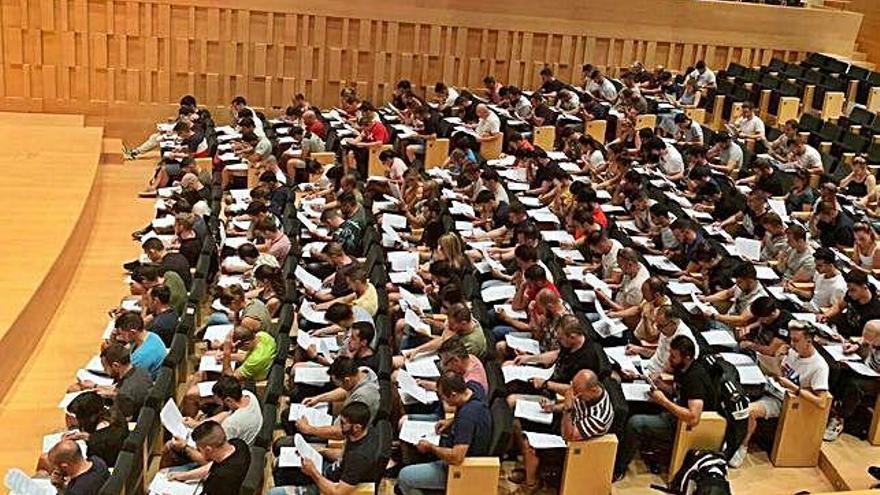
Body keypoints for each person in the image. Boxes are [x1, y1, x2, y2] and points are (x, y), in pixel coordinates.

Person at [729, 322, 829, 468]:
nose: (792, 344)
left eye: (796, 340)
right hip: (771, 387)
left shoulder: (819, 366)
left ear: (809, 341)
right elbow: (781, 375)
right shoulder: (792, 351)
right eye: (791, 339)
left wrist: (794, 388)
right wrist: (776, 358)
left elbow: (821, 402)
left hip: (784, 400)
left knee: (749, 411)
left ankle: (741, 448)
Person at [615, 335, 715, 478]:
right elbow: (677, 391)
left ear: (687, 357)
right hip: (674, 410)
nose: (669, 359)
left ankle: (618, 469)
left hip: (682, 425)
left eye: (673, 356)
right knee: (631, 406)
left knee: (635, 423)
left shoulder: (695, 379)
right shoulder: (682, 368)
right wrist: (647, 380)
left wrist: (663, 401)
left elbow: (693, 418)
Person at [514, 370, 615, 492]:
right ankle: (529, 469)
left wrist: (567, 408)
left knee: (529, 445)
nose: (574, 394)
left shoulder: (599, 418)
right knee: (518, 423)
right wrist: (553, 407)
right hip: (566, 422)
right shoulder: (590, 392)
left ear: (593, 390)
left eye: (578, 393)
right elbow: (574, 400)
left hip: (573, 445)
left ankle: (532, 484)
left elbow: (568, 435)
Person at [397, 372, 492, 495]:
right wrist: (451, 421)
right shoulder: (474, 387)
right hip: (456, 442)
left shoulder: (466, 418)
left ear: (453, 394)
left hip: (462, 468)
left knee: (404, 476)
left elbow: (457, 458)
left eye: (443, 397)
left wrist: (431, 447)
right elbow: (475, 415)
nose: (443, 400)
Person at [270, 402, 386, 495]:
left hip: (329, 485)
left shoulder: (359, 458)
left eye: (343, 423)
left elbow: (338, 492)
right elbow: (342, 457)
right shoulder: (364, 431)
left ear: (357, 427)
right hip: (330, 470)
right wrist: (319, 452)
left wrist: (313, 472)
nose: (339, 426)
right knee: (281, 460)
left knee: (275, 490)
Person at [825, 320, 880, 441]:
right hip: (865, 370)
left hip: (877, 381)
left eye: (871, 341)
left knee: (855, 385)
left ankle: (839, 419)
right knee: (839, 370)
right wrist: (854, 345)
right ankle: (829, 408)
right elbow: (862, 340)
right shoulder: (872, 336)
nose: (868, 343)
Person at [166, 420, 251, 493]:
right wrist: (183, 476)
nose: (199, 452)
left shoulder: (219, 478)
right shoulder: (239, 444)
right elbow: (211, 466)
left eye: (199, 449)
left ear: (208, 450)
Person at [784, 247, 846, 313]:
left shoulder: (838, 286)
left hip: (816, 313)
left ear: (830, 265)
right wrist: (794, 290)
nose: (816, 268)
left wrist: (815, 311)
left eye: (819, 265)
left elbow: (833, 310)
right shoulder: (819, 274)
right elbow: (812, 295)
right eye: (815, 264)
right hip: (808, 306)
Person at [822, 270, 880, 338]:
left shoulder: (876, 310)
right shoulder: (852, 294)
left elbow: (867, 338)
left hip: (851, 339)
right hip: (837, 330)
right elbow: (839, 306)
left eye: (853, 290)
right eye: (849, 290)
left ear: (864, 287)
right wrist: (826, 315)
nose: (849, 294)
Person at [46, 439, 110, 495]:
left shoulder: (75, 491)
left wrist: (59, 486)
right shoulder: (98, 461)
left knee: (41, 472)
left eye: (55, 467)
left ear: (65, 466)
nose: (55, 471)